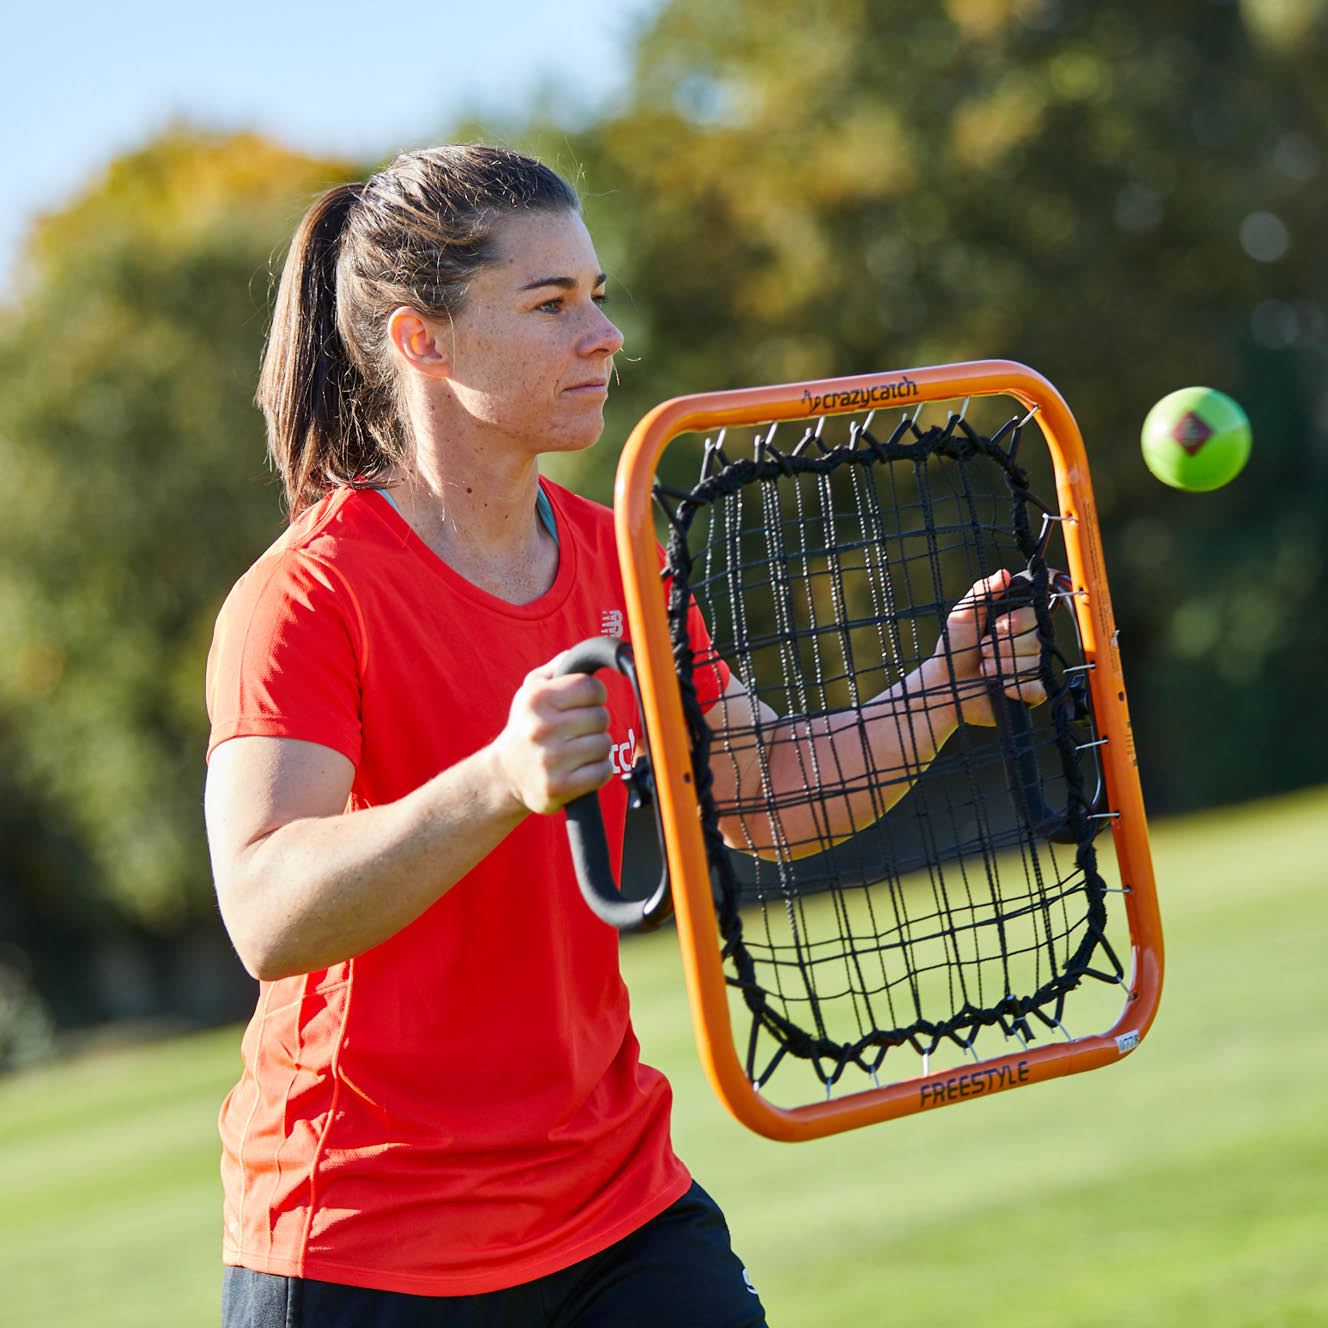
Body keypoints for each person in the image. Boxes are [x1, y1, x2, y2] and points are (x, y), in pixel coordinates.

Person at [204, 145, 1042, 1328]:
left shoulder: (620, 557)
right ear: (419, 341)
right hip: (366, 1240)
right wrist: (499, 777)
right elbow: (266, 910)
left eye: (595, 296)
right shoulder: (305, 595)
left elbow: (765, 792)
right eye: (550, 304)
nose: (600, 333)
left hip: (615, 1206)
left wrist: (939, 690)